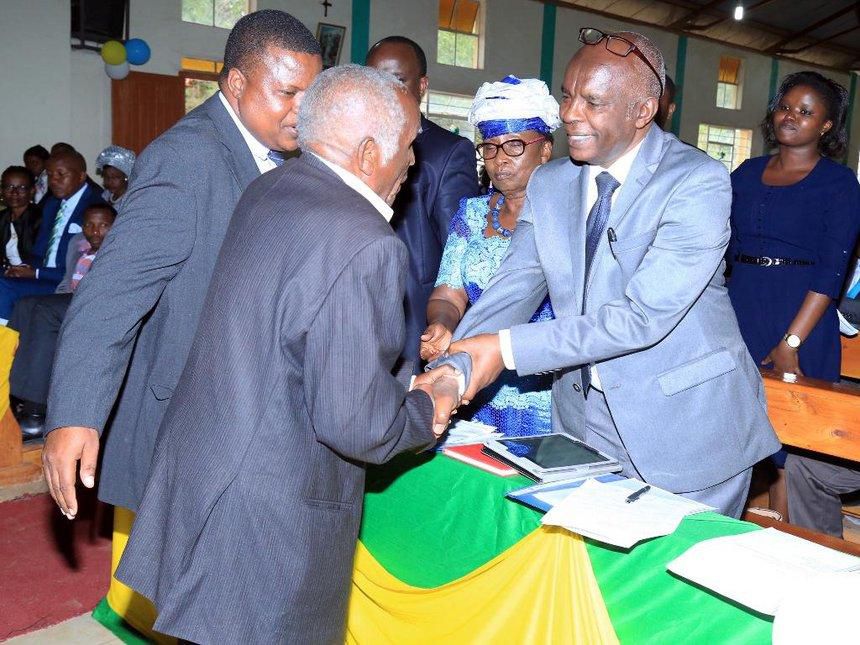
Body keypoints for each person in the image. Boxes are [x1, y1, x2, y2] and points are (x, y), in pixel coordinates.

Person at [116, 65, 459, 644]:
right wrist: (430, 406)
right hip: (270, 514)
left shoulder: (270, 189)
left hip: (209, 473)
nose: (412, 164)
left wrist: (394, 380)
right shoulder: (366, 243)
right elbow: (355, 426)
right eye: (407, 148)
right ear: (371, 152)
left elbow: (285, 340)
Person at [419, 28, 780, 518]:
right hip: (584, 420)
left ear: (641, 111)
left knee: (667, 584)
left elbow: (640, 317)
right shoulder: (551, 182)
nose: (570, 114)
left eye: (592, 101)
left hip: (686, 427)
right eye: (568, 95)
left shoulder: (696, 181)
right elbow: (512, 290)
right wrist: (453, 371)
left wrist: (504, 349)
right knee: (590, 578)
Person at [41, 9, 323, 521]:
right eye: (287, 93)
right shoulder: (188, 157)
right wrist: (75, 415)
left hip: (246, 411)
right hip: (189, 419)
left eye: (311, 93)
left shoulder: (275, 155)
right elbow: (111, 294)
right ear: (237, 83)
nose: (303, 110)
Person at [728, 72, 860, 522]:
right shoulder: (745, 173)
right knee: (735, 431)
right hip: (742, 305)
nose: (791, 117)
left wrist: (793, 341)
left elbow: (831, 270)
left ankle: (788, 544)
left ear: (826, 126)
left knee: (789, 444)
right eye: (786, 106)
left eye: (806, 112)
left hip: (799, 314)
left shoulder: (838, 184)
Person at [421, 76, 559, 437]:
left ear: (545, 149)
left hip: (544, 388)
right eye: (491, 148)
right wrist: (443, 323)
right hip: (475, 385)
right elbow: (449, 292)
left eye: (514, 146)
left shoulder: (568, 217)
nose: (500, 160)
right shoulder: (471, 214)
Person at [366, 36, 480, 370]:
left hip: (416, 318)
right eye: (375, 80)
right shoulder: (355, 143)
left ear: (422, 85)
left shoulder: (446, 151)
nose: (385, 90)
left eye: (397, 80)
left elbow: (457, 251)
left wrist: (444, 321)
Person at [10, 203, 117, 438]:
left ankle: (37, 412)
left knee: (44, 312)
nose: (95, 231)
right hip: (72, 299)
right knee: (25, 305)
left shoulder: (120, 249)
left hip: (100, 303)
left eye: (103, 225)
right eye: (89, 224)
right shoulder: (78, 245)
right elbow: (66, 283)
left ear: (116, 226)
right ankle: (11, 393)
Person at [0, 151, 103, 324]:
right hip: (42, 275)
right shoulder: (52, 204)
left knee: (3, 288)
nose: (54, 180)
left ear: (81, 176)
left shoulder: (95, 208)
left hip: (66, 283)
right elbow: (39, 251)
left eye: (61, 174)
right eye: (50, 174)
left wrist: (37, 273)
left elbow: (84, 269)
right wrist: (23, 268)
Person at [0, 166, 41, 270]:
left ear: (32, 191)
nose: (14, 192)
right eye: (9, 187)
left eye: (21, 187)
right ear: (2, 190)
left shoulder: (40, 218)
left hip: (32, 276)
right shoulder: (2, 218)